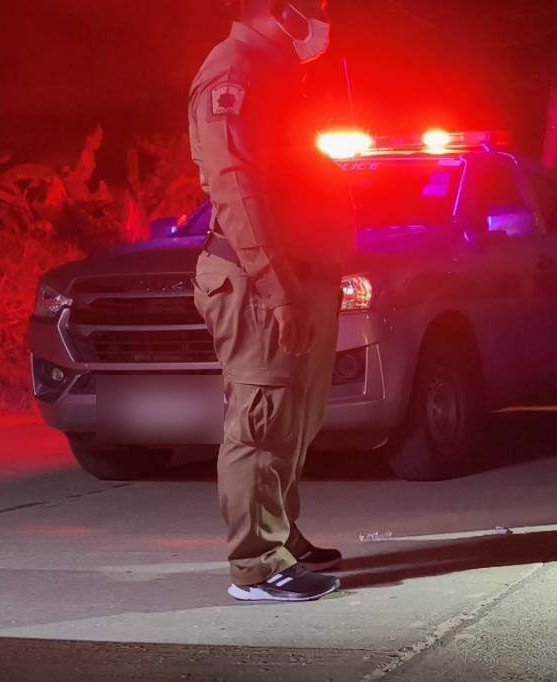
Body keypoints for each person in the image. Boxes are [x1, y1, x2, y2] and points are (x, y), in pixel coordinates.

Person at [190, 0, 354, 602]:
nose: (321, 21)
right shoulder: (233, 72)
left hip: (300, 274)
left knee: (295, 417)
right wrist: (276, 286)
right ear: (279, 11)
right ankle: (257, 566)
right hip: (263, 278)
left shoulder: (275, 72)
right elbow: (235, 190)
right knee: (261, 418)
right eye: (314, 8)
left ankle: (280, 534)